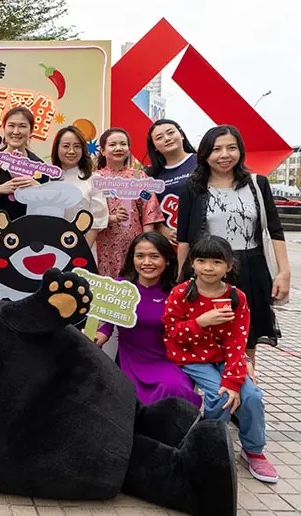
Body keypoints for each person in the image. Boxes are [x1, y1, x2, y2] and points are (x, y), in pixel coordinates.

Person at [164, 235, 278, 483]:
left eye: (216, 262)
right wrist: (200, 322)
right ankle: (209, 447)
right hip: (191, 357)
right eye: (202, 260)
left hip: (227, 358)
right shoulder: (180, 293)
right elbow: (172, 334)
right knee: (220, 396)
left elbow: (238, 342)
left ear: (229, 266)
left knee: (252, 396)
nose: (208, 268)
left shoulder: (238, 297)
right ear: (192, 264)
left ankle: (253, 451)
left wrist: (234, 380)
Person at [177, 125, 290, 364]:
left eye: (231, 148)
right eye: (216, 149)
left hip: (251, 268)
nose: (224, 155)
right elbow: (184, 237)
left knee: (246, 340)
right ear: (205, 154)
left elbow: (275, 229)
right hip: (209, 272)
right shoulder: (193, 188)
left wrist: (284, 272)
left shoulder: (257, 184)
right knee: (205, 337)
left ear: (240, 151)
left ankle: (245, 390)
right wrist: (181, 278)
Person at [95, 232, 200, 407]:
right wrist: (94, 337)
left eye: (154, 256)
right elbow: (105, 328)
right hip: (129, 362)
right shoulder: (119, 288)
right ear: (132, 259)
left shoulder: (178, 293)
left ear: (167, 260)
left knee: (175, 390)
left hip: (168, 361)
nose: (146, 263)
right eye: (140, 256)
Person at [95, 127, 164, 278]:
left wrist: (147, 244)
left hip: (134, 241)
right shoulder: (94, 179)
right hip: (103, 241)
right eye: (112, 145)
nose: (118, 148)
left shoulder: (139, 177)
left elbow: (149, 210)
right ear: (103, 150)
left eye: (123, 144)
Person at [0, 107, 46, 254]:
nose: (16, 131)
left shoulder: (40, 166)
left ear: (31, 131)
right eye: (11, 125)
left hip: (28, 239)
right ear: (4, 129)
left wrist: (40, 190)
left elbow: (48, 208)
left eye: (22, 126)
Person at [51, 126, 109, 252]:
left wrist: (82, 252)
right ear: (57, 149)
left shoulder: (94, 180)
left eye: (77, 146)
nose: (71, 151)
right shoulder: (48, 179)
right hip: (50, 248)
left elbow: (97, 221)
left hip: (82, 249)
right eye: (66, 146)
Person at [145, 119, 197, 245]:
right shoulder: (150, 176)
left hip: (204, 238)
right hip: (171, 245)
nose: (167, 139)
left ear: (182, 135)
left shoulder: (202, 162)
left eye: (170, 133)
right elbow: (147, 209)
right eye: (159, 137)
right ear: (154, 146)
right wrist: (162, 229)